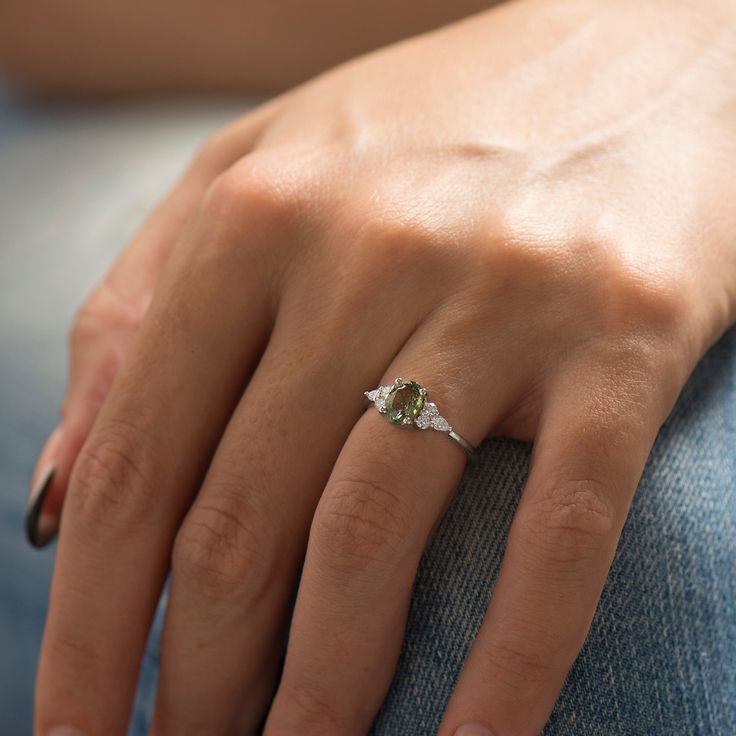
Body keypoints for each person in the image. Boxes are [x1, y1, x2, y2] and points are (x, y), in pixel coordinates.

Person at [11, 0, 736, 733]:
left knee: (573, 522)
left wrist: (682, 42)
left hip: (651, 90)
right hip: (96, 83)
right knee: (488, 534)